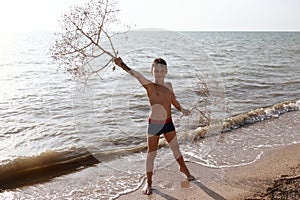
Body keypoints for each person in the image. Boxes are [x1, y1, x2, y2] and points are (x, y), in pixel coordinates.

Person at [114, 57, 195, 195]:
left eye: (162, 70)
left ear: (166, 71)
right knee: (152, 154)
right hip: (154, 125)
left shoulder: (169, 85)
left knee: (176, 149)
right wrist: (122, 64)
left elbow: (173, 101)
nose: (159, 73)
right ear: (152, 71)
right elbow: (136, 75)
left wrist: (182, 110)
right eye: (156, 70)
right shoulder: (149, 86)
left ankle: (184, 169)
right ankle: (149, 182)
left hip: (168, 123)